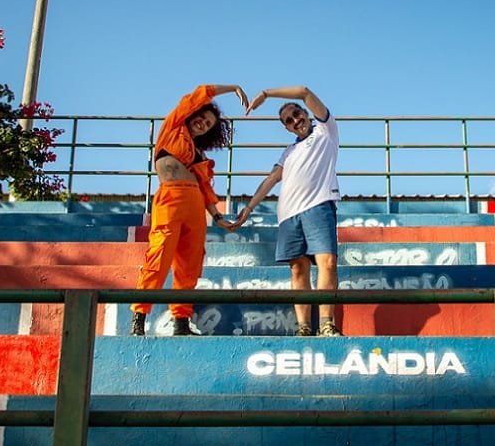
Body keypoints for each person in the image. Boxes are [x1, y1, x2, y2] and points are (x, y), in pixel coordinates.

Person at [130, 84, 248, 336]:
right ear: (193, 114)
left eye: (208, 124)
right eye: (202, 119)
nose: (203, 124)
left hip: (195, 206)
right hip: (170, 199)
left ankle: (181, 323)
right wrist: (232, 88)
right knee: (159, 254)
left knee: (190, 264)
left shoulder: (201, 155)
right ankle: (139, 318)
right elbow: (198, 93)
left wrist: (218, 216)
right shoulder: (172, 129)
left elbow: (206, 190)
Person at [232, 86, 342, 337]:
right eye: (289, 121)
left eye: (296, 114)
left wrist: (267, 94)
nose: (295, 121)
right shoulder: (289, 151)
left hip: (319, 205)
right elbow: (271, 180)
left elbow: (304, 91)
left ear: (306, 112)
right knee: (297, 269)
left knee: (327, 262)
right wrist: (249, 208)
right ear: (287, 128)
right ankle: (304, 327)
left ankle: (326, 324)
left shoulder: (326, 130)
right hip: (289, 214)